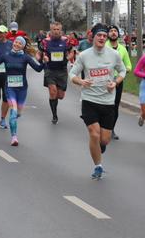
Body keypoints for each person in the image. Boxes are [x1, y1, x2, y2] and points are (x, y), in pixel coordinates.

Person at [69, 23, 126, 180]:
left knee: (104, 140)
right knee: (94, 134)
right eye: (99, 35)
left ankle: (100, 147)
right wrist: (81, 82)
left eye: (104, 36)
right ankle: (98, 166)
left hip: (108, 101)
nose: (102, 38)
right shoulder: (84, 55)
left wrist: (116, 82)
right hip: (90, 100)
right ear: (93, 37)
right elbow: (72, 74)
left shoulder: (114, 55)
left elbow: (122, 70)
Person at [0, 36, 47, 146]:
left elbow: (38, 69)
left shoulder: (25, 58)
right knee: (13, 113)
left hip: (22, 89)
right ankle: (14, 137)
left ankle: (16, 116)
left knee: (18, 113)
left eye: (20, 43)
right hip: (10, 88)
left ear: (23, 46)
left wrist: (43, 62)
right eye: (16, 42)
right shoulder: (6, 56)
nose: (17, 44)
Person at [40, 21, 73, 124]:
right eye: (54, 29)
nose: (56, 31)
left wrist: (67, 58)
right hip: (50, 70)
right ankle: (54, 115)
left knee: (60, 96)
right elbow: (39, 54)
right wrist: (43, 58)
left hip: (62, 70)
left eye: (58, 29)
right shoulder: (45, 41)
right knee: (53, 91)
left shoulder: (66, 41)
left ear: (61, 31)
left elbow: (72, 52)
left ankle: (55, 101)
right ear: (50, 30)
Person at [107, 25, 132, 139]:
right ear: (108, 34)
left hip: (118, 80)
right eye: (111, 31)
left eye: (115, 31)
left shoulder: (122, 49)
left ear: (118, 34)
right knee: (105, 105)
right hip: (105, 80)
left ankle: (111, 129)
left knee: (115, 106)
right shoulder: (104, 46)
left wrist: (126, 69)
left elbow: (128, 64)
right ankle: (103, 126)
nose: (113, 33)